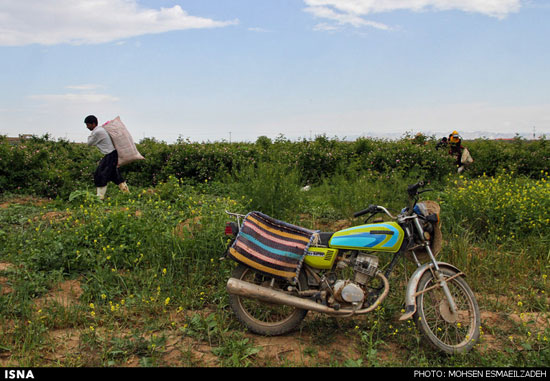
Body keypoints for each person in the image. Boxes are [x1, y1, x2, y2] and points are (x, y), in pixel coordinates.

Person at [85, 115, 129, 199]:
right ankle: (127, 193)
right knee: (114, 176)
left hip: (110, 155)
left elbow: (89, 143)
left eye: (88, 125)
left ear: (93, 124)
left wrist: (90, 136)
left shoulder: (97, 132)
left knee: (100, 174)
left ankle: (100, 197)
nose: (87, 127)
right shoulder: (100, 130)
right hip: (112, 154)